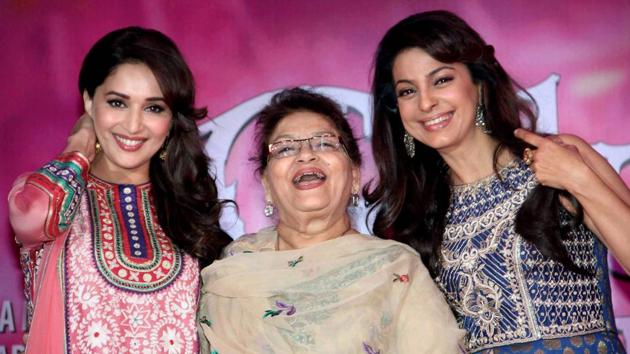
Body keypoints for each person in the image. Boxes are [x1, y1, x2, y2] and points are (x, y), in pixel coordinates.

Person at [364, 10, 630, 353]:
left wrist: (578, 178)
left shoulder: (556, 156)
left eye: (441, 79)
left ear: (477, 82)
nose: (426, 102)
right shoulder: (413, 218)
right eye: (407, 91)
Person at [8, 27, 232, 353]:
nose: (133, 125)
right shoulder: (49, 192)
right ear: (88, 100)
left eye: (153, 108)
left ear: (171, 119)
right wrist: (80, 146)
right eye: (117, 103)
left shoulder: (188, 208)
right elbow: (37, 213)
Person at [196, 87, 464, 353]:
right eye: (285, 148)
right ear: (267, 185)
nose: (305, 154)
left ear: (355, 177)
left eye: (324, 143)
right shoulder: (235, 263)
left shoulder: (394, 267)